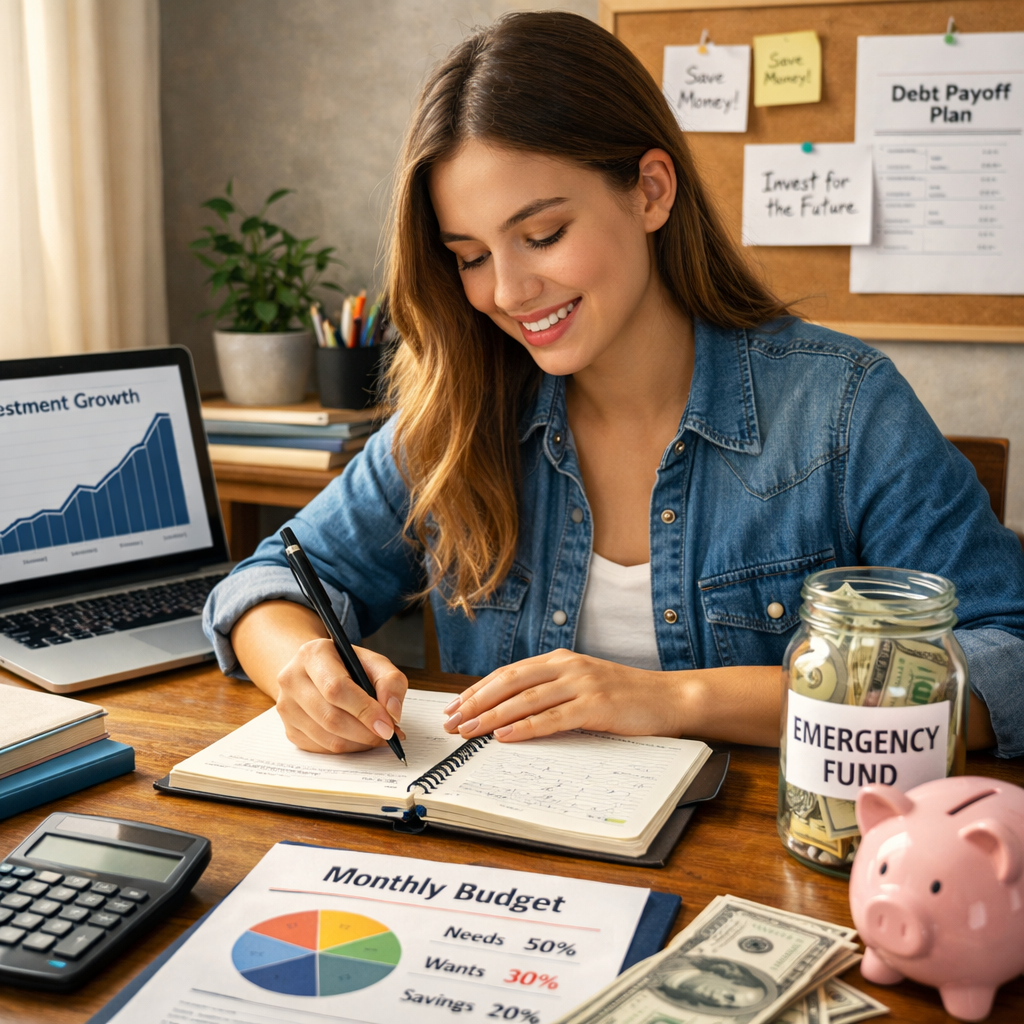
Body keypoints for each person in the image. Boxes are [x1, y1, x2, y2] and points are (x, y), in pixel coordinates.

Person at [204, 11, 1024, 760]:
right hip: (505, 875)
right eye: (471, 255)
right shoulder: (460, 416)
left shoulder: (843, 410)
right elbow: (265, 584)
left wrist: (679, 699)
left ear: (651, 191)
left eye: (543, 234)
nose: (510, 291)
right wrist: (299, 666)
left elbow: (1007, 662)